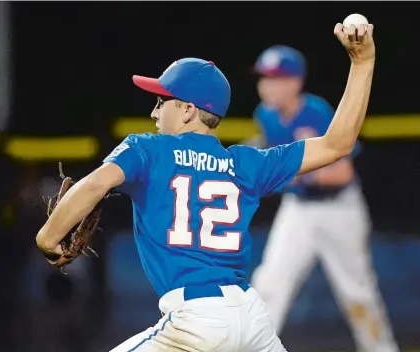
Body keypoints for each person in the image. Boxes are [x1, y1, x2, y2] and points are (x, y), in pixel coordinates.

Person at [36, 23, 376, 352]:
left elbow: (96, 182)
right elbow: (337, 144)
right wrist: (363, 64)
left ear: (186, 110)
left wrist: (48, 238)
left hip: (195, 322)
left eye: (161, 102)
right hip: (252, 320)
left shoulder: (147, 150)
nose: (155, 113)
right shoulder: (247, 164)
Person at [248, 45, 400, 352]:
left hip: (339, 208)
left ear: (295, 82)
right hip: (298, 210)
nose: (266, 84)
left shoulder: (316, 112)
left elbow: (341, 174)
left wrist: (289, 175)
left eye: (276, 77)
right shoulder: (264, 114)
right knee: (270, 285)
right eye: (264, 77)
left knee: (357, 294)